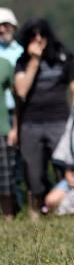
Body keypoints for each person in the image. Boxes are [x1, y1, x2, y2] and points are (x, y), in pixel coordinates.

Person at [13, 19, 74, 217]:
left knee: (65, 169)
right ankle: (35, 214)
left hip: (59, 122)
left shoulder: (63, 57)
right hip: (31, 124)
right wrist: (34, 61)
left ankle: (69, 211)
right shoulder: (22, 62)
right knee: (33, 174)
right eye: (33, 35)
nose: (38, 39)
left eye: (41, 34)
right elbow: (21, 90)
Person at [0, 55, 15, 219]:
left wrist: (15, 128)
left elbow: (17, 98)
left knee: (5, 184)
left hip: (2, 129)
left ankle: (9, 220)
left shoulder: (4, 64)